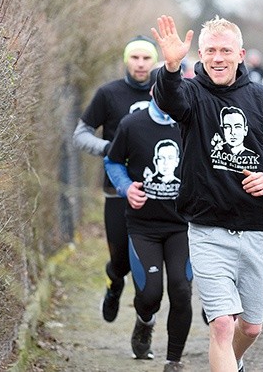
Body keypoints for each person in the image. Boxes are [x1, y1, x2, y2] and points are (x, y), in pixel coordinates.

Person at [150, 14, 263, 372]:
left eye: (225, 50)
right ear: (200, 56)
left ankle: (233, 363)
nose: (218, 58)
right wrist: (172, 67)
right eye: (210, 51)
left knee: (249, 327)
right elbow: (169, 100)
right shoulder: (191, 94)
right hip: (207, 231)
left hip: (255, 231)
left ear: (240, 54)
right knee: (221, 324)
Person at [104, 90, 192, 371]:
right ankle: (144, 322)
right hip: (143, 226)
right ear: (154, 91)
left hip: (183, 226)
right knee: (150, 294)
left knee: (180, 289)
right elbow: (113, 161)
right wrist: (126, 187)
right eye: (163, 89)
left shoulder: (191, 121)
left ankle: (173, 360)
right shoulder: (132, 124)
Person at [73, 35, 158, 323]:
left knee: (146, 266)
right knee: (121, 260)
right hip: (116, 192)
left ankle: (145, 316)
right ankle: (114, 283)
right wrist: (108, 147)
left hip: (157, 193)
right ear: (126, 60)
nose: (141, 64)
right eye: (135, 57)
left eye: (146, 58)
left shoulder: (165, 94)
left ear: (155, 61)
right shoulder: (109, 94)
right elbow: (81, 134)